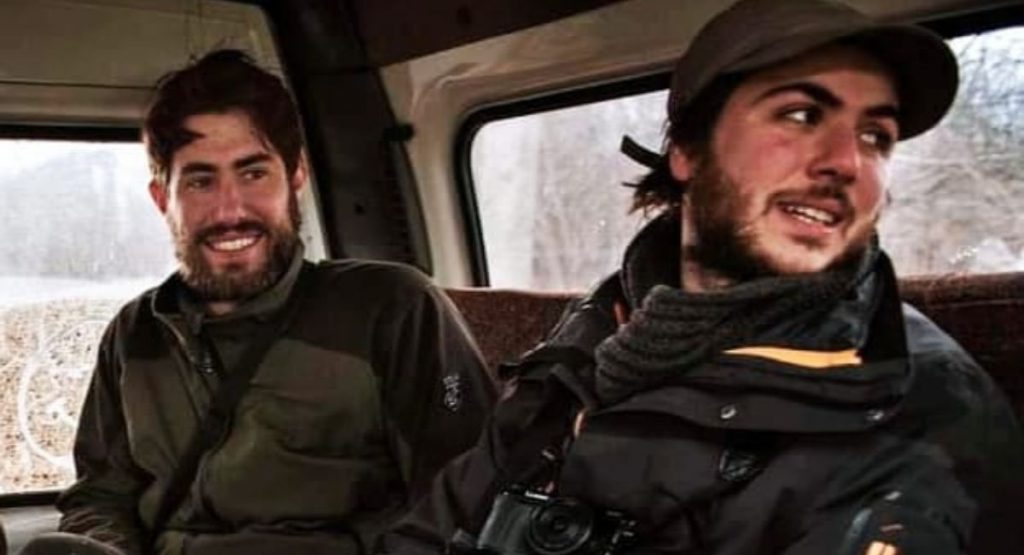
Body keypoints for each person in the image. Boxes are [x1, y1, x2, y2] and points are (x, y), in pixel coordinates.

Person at [378, 0, 1024, 553]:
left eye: (876, 135)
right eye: (802, 115)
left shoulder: (917, 412)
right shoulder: (599, 329)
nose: (847, 162)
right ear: (687, 151)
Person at [51, 49, 497, 555]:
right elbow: (100, 497)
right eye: (200, 181)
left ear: (296, 177)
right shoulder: (134, 333)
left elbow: (463, 500)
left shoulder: (393, 308)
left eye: (253, 174)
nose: (230, 210)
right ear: (161, 199)